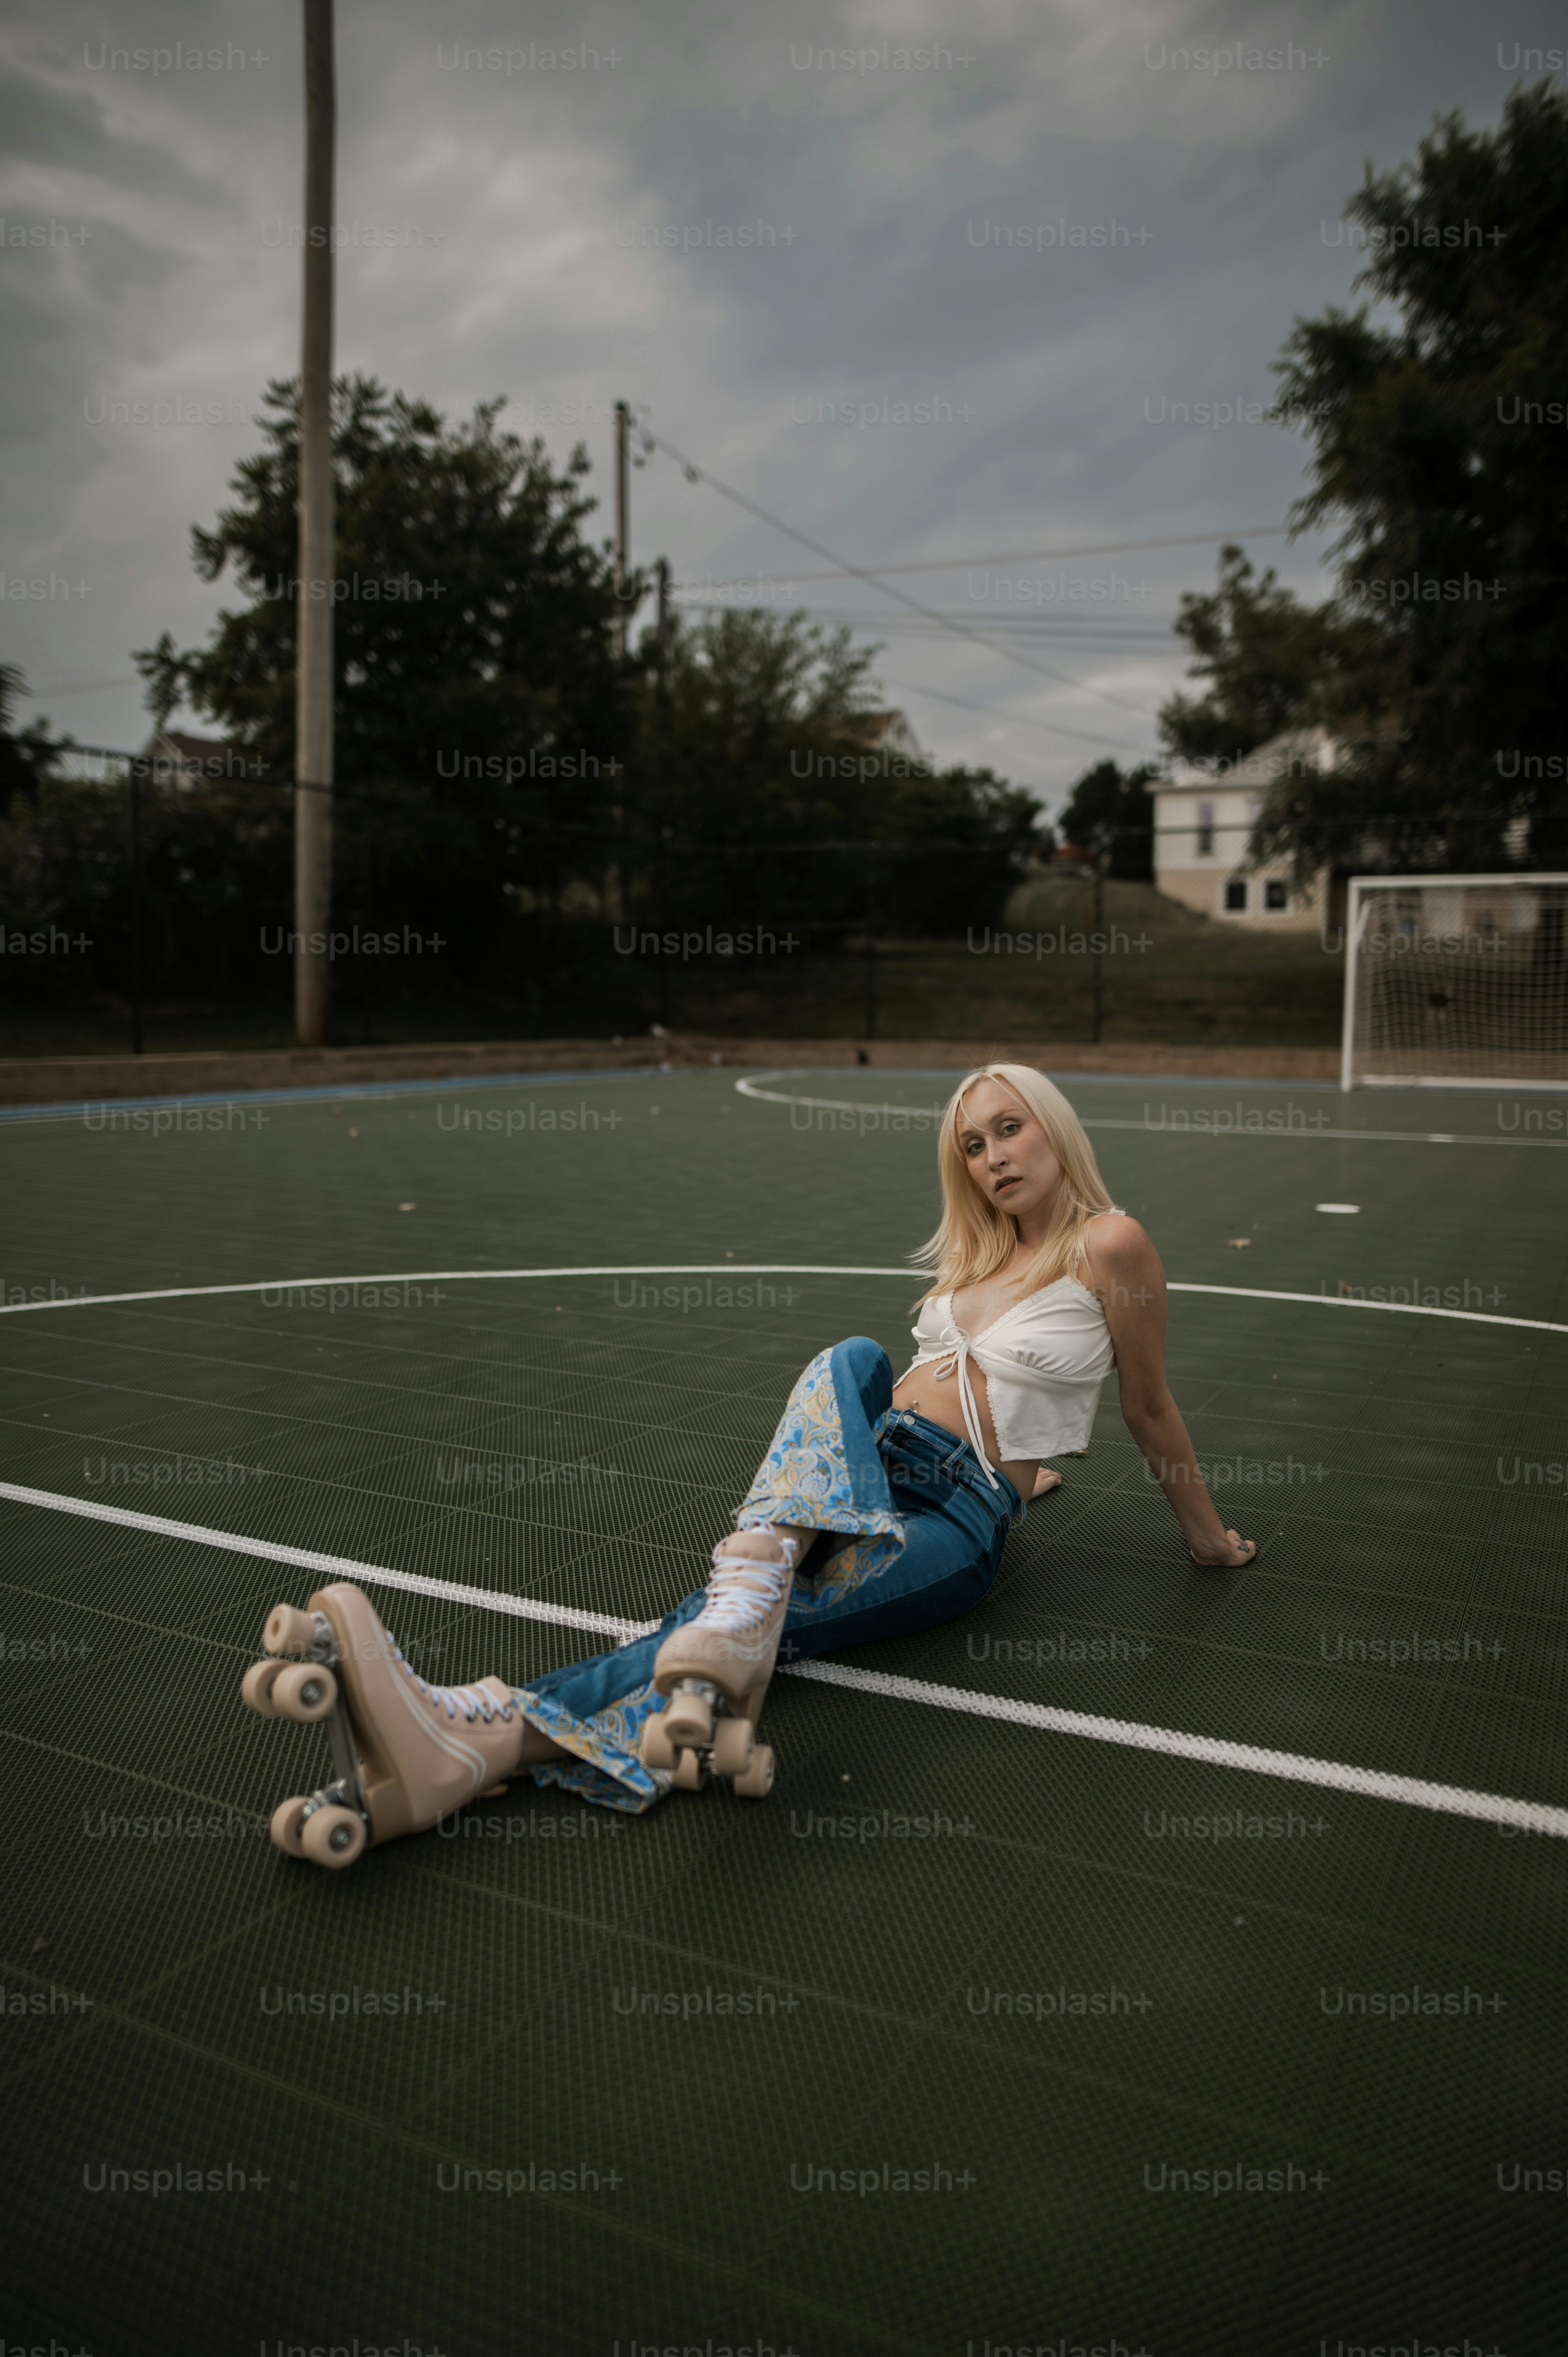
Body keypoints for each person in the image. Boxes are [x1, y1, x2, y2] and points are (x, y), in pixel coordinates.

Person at [245, 1063, 1257, 1867]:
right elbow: (956, 1388)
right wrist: (1041, 1475)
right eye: (972, 1145)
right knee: (853, 1361)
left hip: (947, 1520)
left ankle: (478, 1732)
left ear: (1054, 1125)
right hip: (856, 1476)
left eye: (1009, 1127)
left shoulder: (1108, 1244)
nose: (993, 1156)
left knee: (727, 1625)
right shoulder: (976, 1264)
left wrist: (1206, 1540)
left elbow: (1145, 1404)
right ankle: (701, 1610)